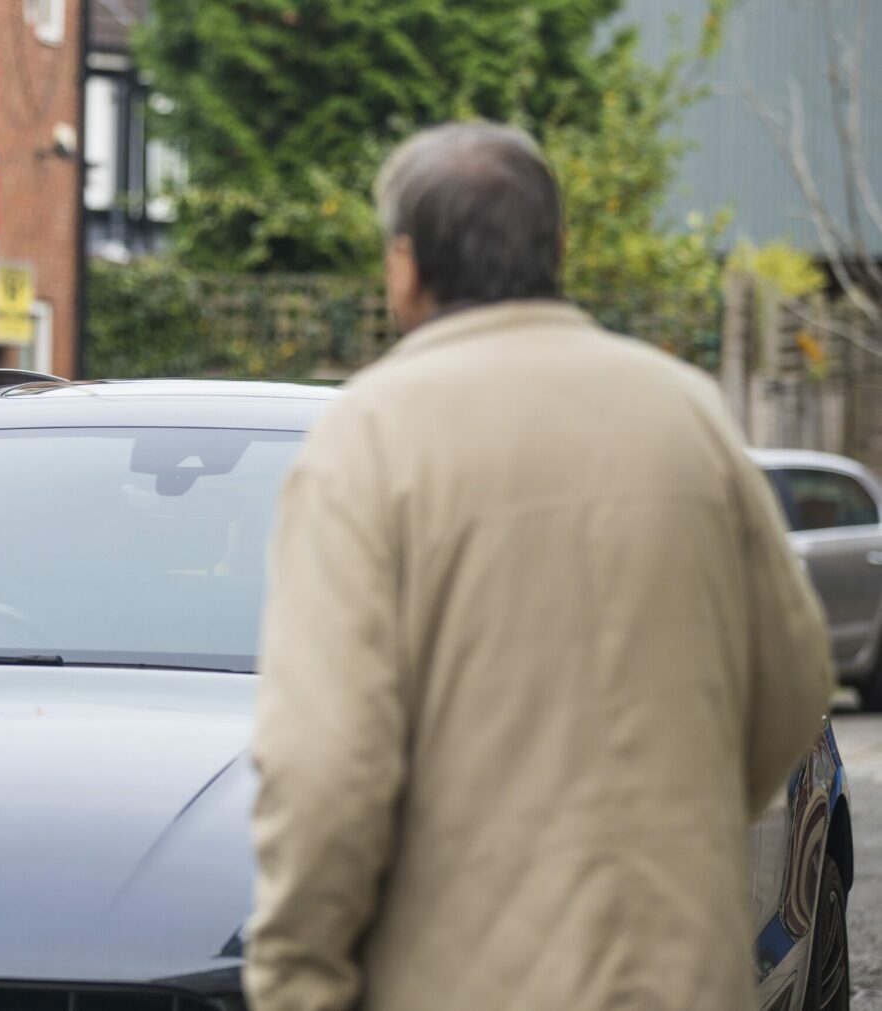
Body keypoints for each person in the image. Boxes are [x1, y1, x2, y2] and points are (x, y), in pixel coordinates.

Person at [245, 122, 835, 1011]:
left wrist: (297, 980)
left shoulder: (366, 437)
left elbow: (326, 766)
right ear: (559, 248)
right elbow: (794, 686)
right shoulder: (688, 415)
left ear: (402, 266)